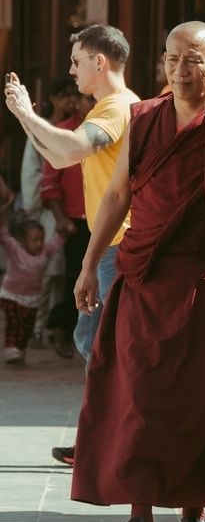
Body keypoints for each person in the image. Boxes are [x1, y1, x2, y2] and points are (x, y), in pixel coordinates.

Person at [70, 21, 205, 522]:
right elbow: (117, 195)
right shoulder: (144, 119)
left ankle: (194, 517)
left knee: (204, 402)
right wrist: (89, 264)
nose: (181, 71)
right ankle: (141, 518)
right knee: (141, 397)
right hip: (147, 278)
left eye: (193, 61)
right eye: (171, 60)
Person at [4, 24, 139, 465]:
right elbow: (62, 156)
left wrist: (26, 114)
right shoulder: (113, 106)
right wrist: (25, 118)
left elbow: (72, 147)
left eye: (77, 60)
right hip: (112, 243)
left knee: (102, 345)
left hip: (119, 245)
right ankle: (102, 435)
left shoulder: (117, 108)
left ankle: (114, 437)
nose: (71, 70)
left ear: (100, 62)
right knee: (95, 341)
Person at [20, 77, 78, 345]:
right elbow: (32, 174)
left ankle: (53, 327)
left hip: (70, 210)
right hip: (48, 210)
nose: (70, 100)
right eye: (63, 95)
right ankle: (37, 328)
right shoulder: (43, 130)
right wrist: (34, 210)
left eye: (72, 95)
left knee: (61, 272)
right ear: (53, 99)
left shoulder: (79, 129)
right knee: (46, 271)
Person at [42, 93, 95, 358]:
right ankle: (65, 329)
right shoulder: (64, 132)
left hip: (107, 218)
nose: (93, 104)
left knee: (106, 279)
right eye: (87, 99)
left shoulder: (115, 124)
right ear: (77, 102)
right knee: (75, 275)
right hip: (76, 220)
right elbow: (49, 183)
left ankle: (93, 340)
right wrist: (61, 218)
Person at [0, 210, 65, 364]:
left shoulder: (45, 250)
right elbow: (5, 238)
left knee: (27, 326)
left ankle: (19, 350)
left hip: (32, 298)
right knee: (14, 323)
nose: (38, 244)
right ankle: (11, 350)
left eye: (41, 240)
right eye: (34, 240)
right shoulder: (15, 250)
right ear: (23, 240)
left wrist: (65, 232)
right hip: (12, 296)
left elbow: (56, 243)